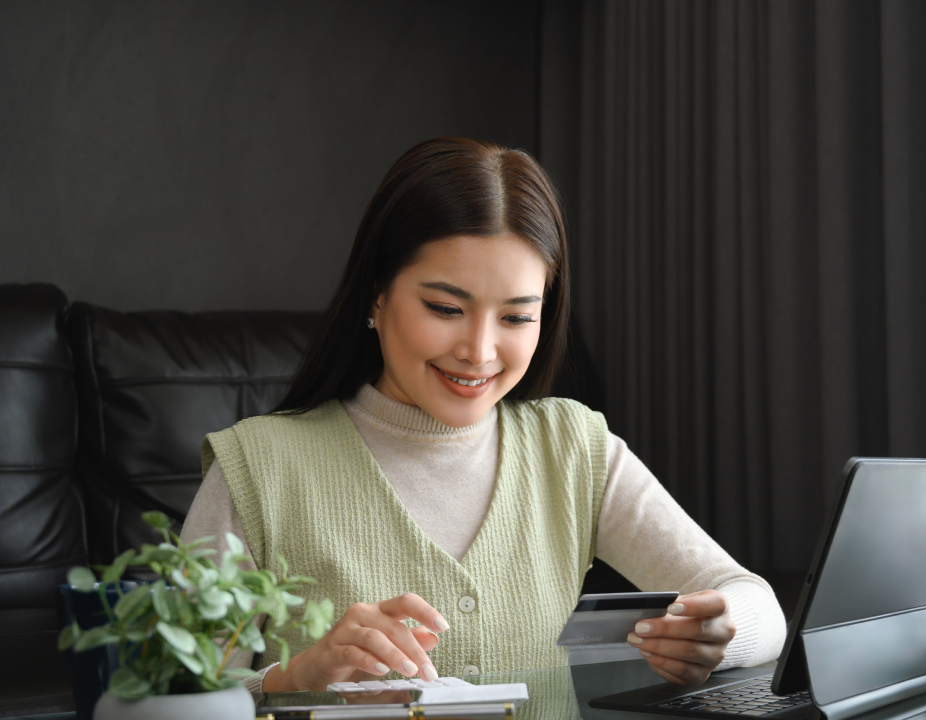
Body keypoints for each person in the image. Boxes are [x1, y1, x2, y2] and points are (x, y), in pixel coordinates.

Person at [181, 137, 786, 698]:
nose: (479, 351)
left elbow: (755, 601)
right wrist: (293, 675)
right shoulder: (257, 468)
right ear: (376, 293)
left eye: (518, 317)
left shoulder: (572, 447)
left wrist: (722, 633)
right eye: (446, 307)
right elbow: (169, 691)